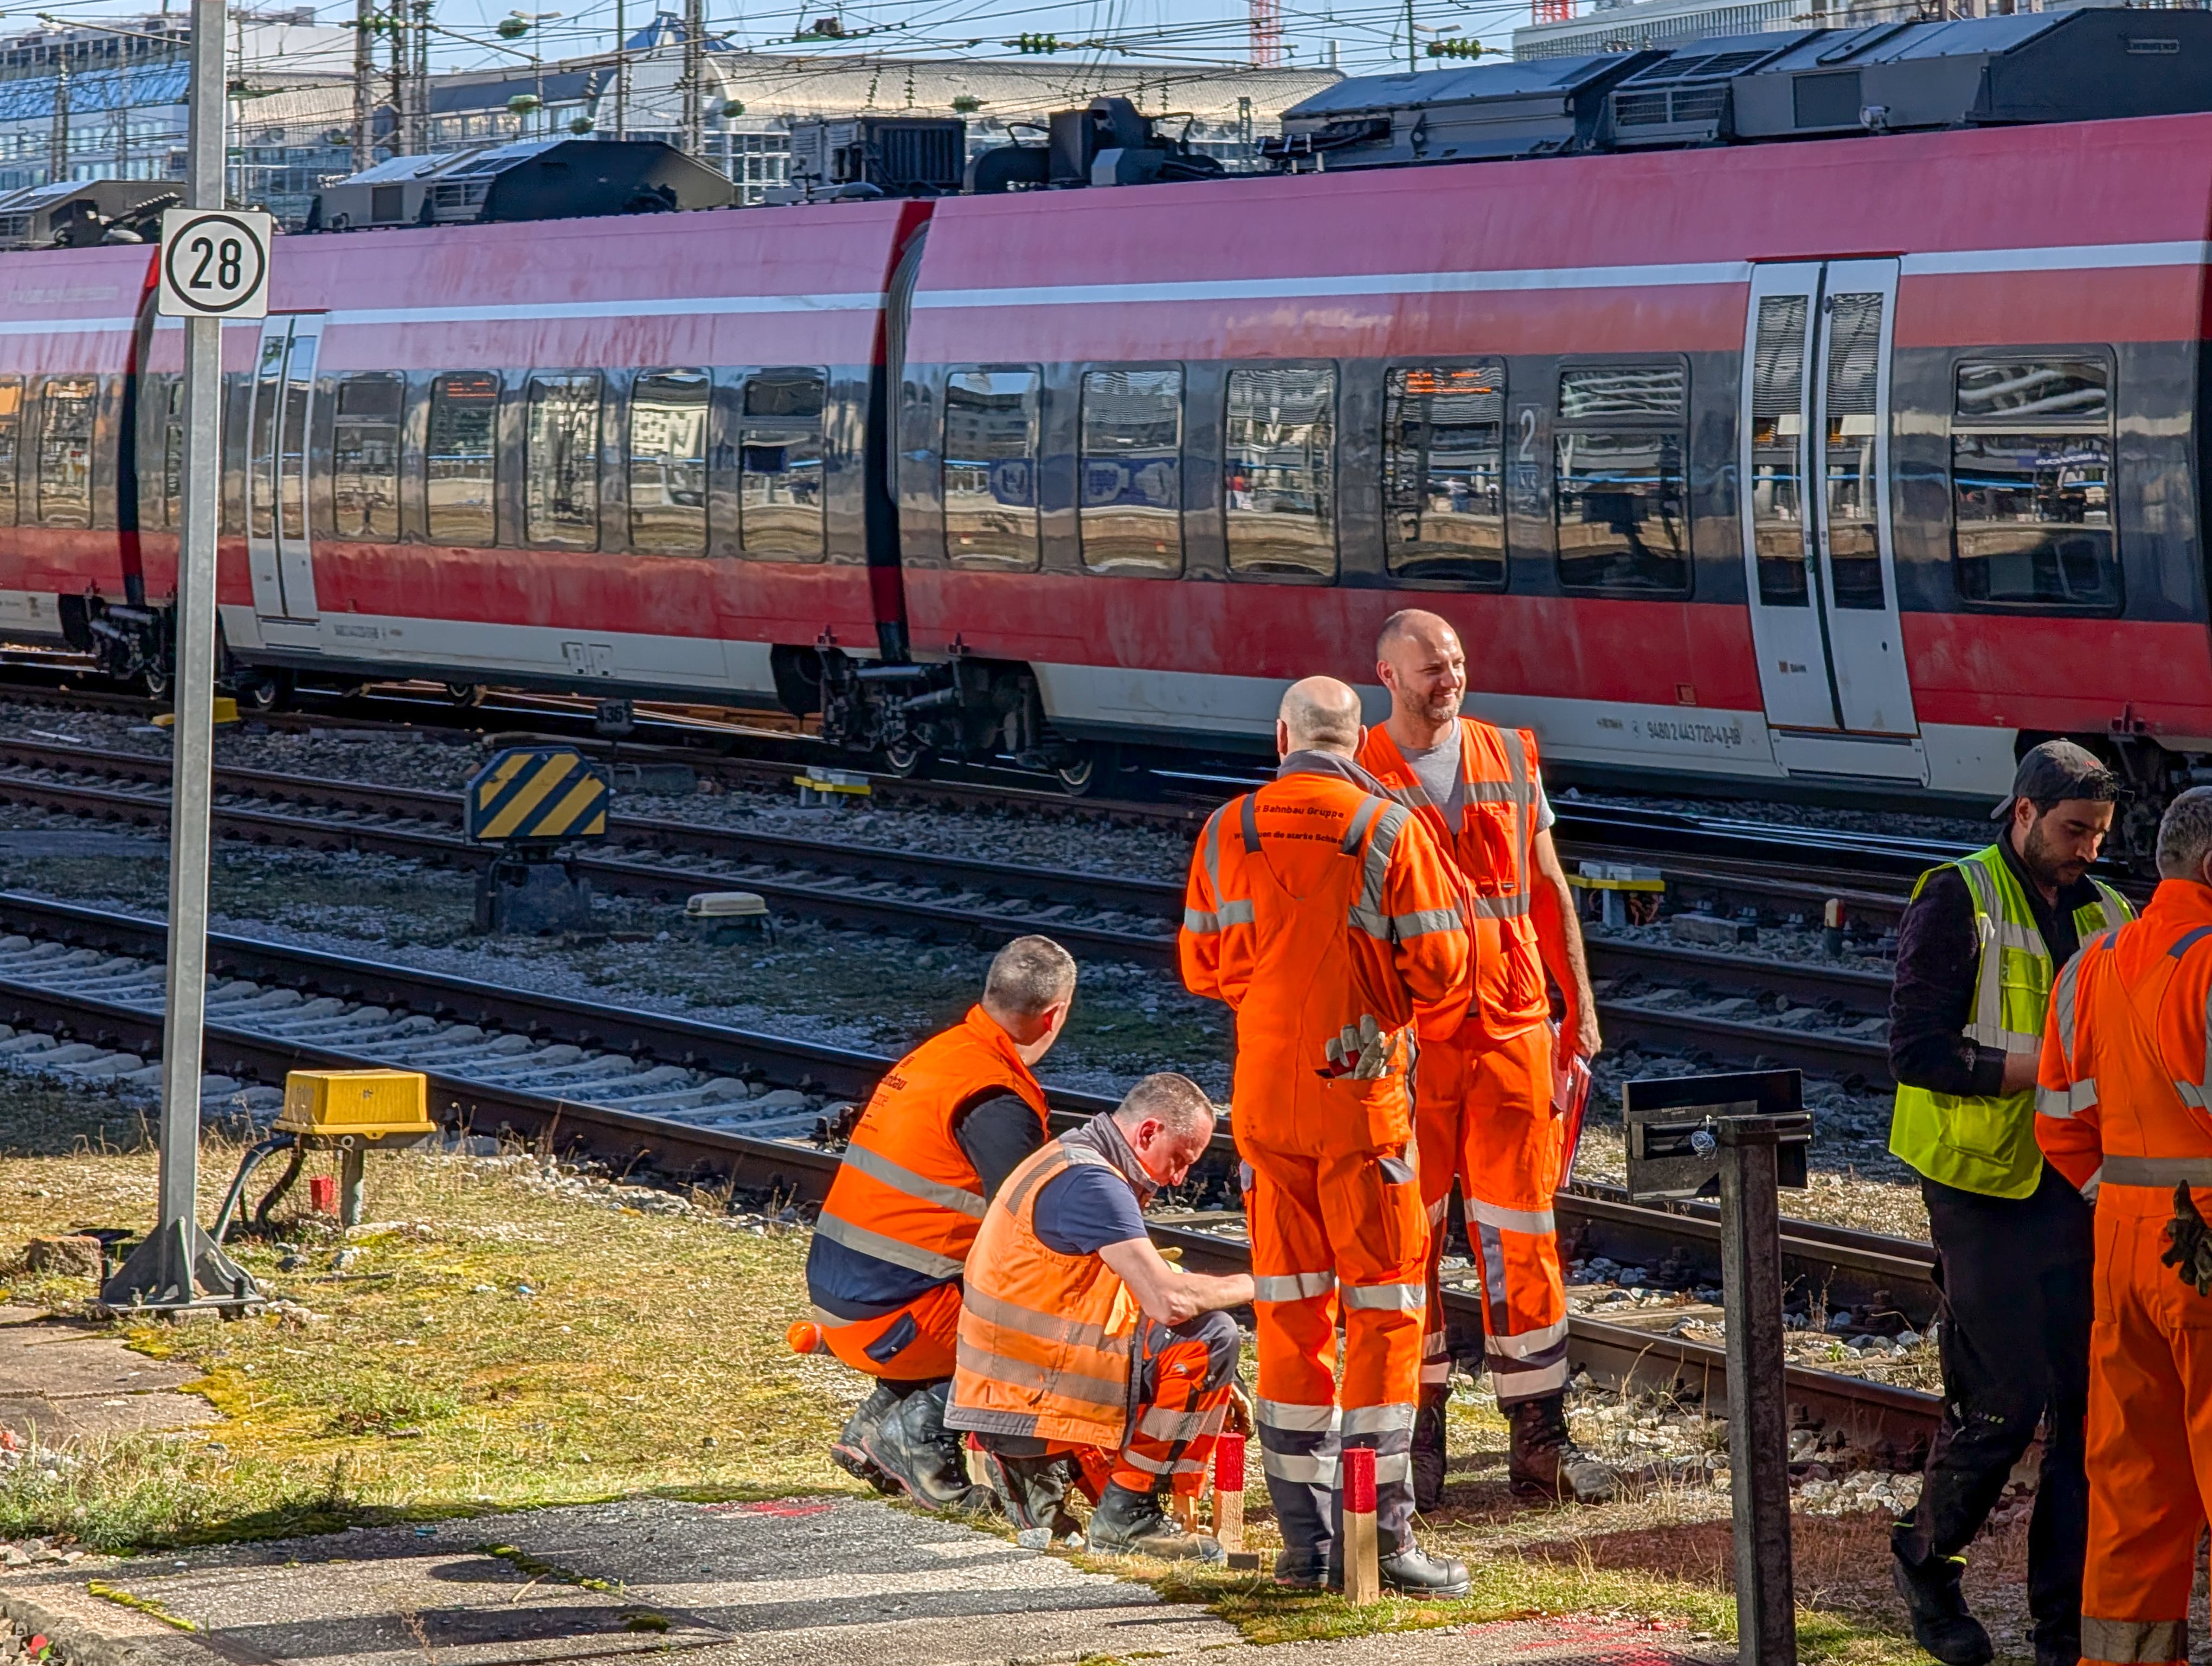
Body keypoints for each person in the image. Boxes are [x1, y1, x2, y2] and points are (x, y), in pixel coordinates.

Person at [1180, 675, 1475, 1595]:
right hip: (1363, 1103)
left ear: (1282, 737)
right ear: (1356, 742)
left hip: (1266, 1103)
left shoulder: (1230, 830)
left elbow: (1202, 963)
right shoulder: (1389, 829)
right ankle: (1380, 1539)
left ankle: (1307, 1543)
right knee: (1384, 1315)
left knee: (1290, 1309)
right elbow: (1444, 965)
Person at [1887, 741, 2133, 1666]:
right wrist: (2050, 1070)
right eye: (2074, 831)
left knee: (2082, 1408)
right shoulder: (1958, 895)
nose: (2088, 851)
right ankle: (1927, 1560)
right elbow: (1917, 1050)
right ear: (2023, 814)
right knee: (2002, 1402)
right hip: (1980, 1182)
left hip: (2077, 1182)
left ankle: (2061, 1624)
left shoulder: (2111, 910)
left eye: (2101, 834)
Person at [1358, 607, 1611, 1507]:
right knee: (1408, 1243)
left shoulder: (1508, 753)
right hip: (1413, 1041)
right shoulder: (1359, 769)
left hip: (1509, 1029)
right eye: (1432, 667)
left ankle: (1539, 1442)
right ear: (1387, 676)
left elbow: (1546, 885)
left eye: (1457, 662)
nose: (1450, 678)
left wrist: (1577, 1006)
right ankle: (1420, 1442)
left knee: (1526, 1239)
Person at [805, 934, 1076, 1511]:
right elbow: (1035, 1234)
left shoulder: (943, 1056)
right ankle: (923, 1445)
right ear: (1054, 1015)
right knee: (1042, 1314)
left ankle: (875, 1426)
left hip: (843, 1301)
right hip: (894, 1320)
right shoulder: (996, 1095)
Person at [2035, 786, 2212, 1666]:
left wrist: (2127, 1197)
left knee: (2134, 1479)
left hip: (2127, 1239)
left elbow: (2059, 1118)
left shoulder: (2094, 962)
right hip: (2207, 1242)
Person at [948, 1073, 1255, 1559]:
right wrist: (1263, 1285)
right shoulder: (1094, 1184)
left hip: (1011, 1394)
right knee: (1209, 1340)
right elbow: (1168, 1301)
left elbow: (1110, 1290)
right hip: (1034, 1403)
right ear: (1148, 1132)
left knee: (1190, 1345)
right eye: (1179, 1160)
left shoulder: (1070, 1158)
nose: (1178, 1178)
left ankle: (1089, 1493)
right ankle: (1128, 1517)